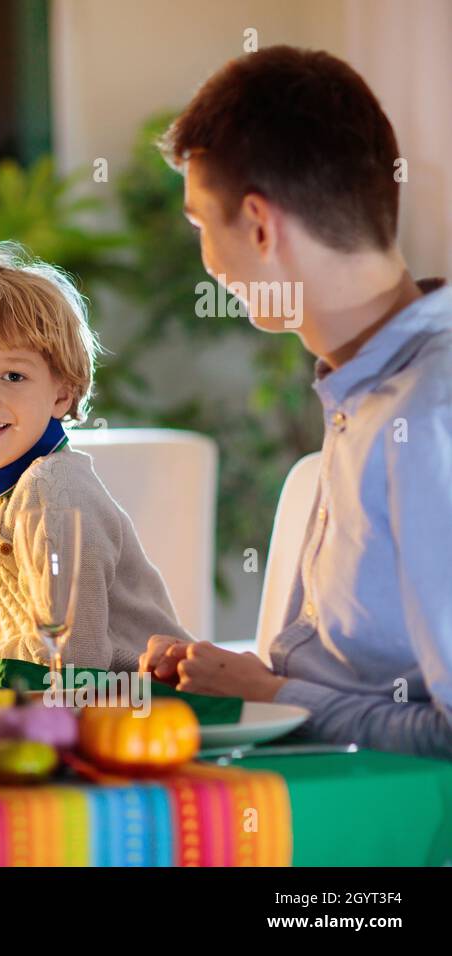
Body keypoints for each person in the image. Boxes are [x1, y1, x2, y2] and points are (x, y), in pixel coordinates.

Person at [140, 46, 452, 758]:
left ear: (258, 226)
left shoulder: (426, 414)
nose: (208, 262)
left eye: (199, 227)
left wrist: (270, 697)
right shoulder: (367, 383)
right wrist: (240, 678)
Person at [0, 243, 190, 674]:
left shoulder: (53, 490)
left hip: (141, 708)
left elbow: (72, 659)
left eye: (13, 376)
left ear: (62, 393)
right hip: (31, 703)